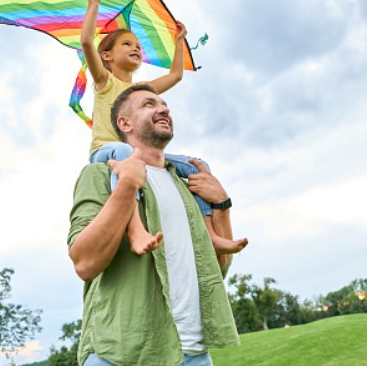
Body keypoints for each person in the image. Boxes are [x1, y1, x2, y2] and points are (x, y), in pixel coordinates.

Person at [69, 84, 245, 365]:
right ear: (124, 123)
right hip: (122, 353)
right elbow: (85, 263)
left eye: (165, 105)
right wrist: (126, 184)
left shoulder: (188, 183)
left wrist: (222, 204)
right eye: (149, 104)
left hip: (193, 353)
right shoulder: (99, 175)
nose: (163, 109)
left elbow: (217, 268)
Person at [81, 0, 247, 256]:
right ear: (107, 56)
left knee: (197, 165)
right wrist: (94, 1)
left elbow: (176, 75)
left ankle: (210, 235)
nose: (136, 49)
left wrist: (179, 41)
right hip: (107, 152)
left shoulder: (139, 91)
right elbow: (87, 41)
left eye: (137, 46)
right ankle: (135, 229)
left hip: (138, 153)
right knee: (125, 152)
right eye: (126, 44)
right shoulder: (105, 82)